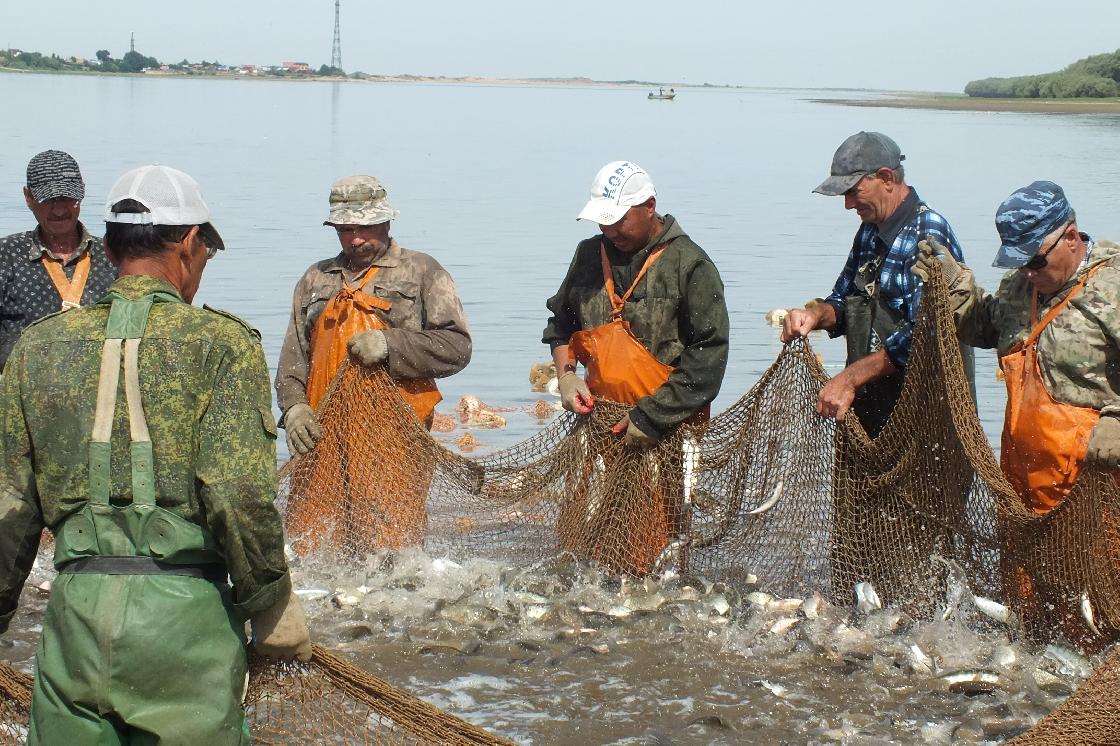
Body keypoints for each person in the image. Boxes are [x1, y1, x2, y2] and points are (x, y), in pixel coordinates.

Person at [0, 165, 311, 744]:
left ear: (112, 246)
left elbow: (10, 506)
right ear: (191, 243)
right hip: (185, 622)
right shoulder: (222, 344)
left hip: (75, 619)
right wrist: (268, 601)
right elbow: (235, 491)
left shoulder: (38, 345)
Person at [915, 181, 1120, 647]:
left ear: (1071, 236)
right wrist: (955, 286)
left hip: (1097, 488)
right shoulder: (1019, 289)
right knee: (1028, 607)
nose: (1028, 272)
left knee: (1096, 603)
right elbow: (983, 326)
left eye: (1035, 260)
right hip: (1022, 487)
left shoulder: (1113, 286)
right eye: (1018, 262)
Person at [543, 160, 729, 574]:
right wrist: (567, 375)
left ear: (649, 207)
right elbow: (561, 326)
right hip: (598, 421)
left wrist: (653, 416)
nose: (609, 232)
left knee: (654, 544)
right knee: (583, 537)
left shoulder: (690, 265)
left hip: (667, 429)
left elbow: (709, 359)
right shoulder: (590, 254)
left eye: (618, 221)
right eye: (602, 222)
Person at [276, 175, 471, 550]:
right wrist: (294, 406)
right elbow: (293, 356)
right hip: (321, 433)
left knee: (391, 541)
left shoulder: (422, 271)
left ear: (385, 222)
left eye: (364, 227)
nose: (355, 239)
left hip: (394, 434)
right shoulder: (316, 278)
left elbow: (457, 347)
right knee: (314, 541)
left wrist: (390, 344)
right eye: (345, 229)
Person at [781, 131, 972, 436]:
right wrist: (815, 316)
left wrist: (850, 378)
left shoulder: (929, 233)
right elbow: (844, 300)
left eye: (853, 191)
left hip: (925, 419)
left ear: (886, 178)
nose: (847, 204)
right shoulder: (870, 230)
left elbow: (926, 334)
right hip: (872, 411)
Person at [0, 149, 117, 368]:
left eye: (67, 197)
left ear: (82, 192)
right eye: (48, 200)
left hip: (98, 391)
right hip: (21, 392)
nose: (59, 209)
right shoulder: (7, 254)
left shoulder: (112, 254)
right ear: (28, 197)